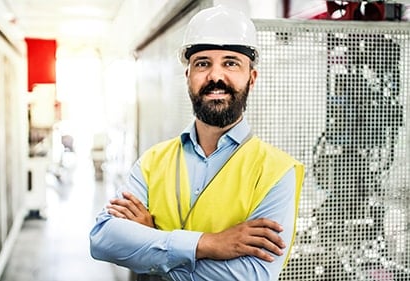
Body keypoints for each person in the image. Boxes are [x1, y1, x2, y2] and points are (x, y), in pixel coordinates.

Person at [89, 5, 304, 281]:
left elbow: (251, 276)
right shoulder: (154, 161)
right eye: (203, 63)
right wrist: (209, 243)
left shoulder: (277, 171)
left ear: (251, 78)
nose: (215, 76)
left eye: (231, 63)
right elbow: (103, 238)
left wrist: (152, 245)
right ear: (188, 76)